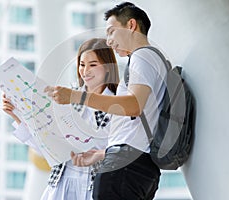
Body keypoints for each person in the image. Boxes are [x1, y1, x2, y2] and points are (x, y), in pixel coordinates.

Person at [45, 2, 168, 200]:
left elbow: (134, 106)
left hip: (125, 166)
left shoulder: (143, 57)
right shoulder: (155, 59)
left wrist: (77, 96)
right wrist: (101, 154)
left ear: (131, 25)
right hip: (138, 165)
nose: (109, 41)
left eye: (112, 32)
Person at [2, 38, 120, 200]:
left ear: (108, 67)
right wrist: (17, 114)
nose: (85, 71)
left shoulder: (117, 105)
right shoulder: (65, 99)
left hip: (93, 187)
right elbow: (46, 148)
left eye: (93, 65)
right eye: (82, 64)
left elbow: (119, 149)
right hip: (61, 184)